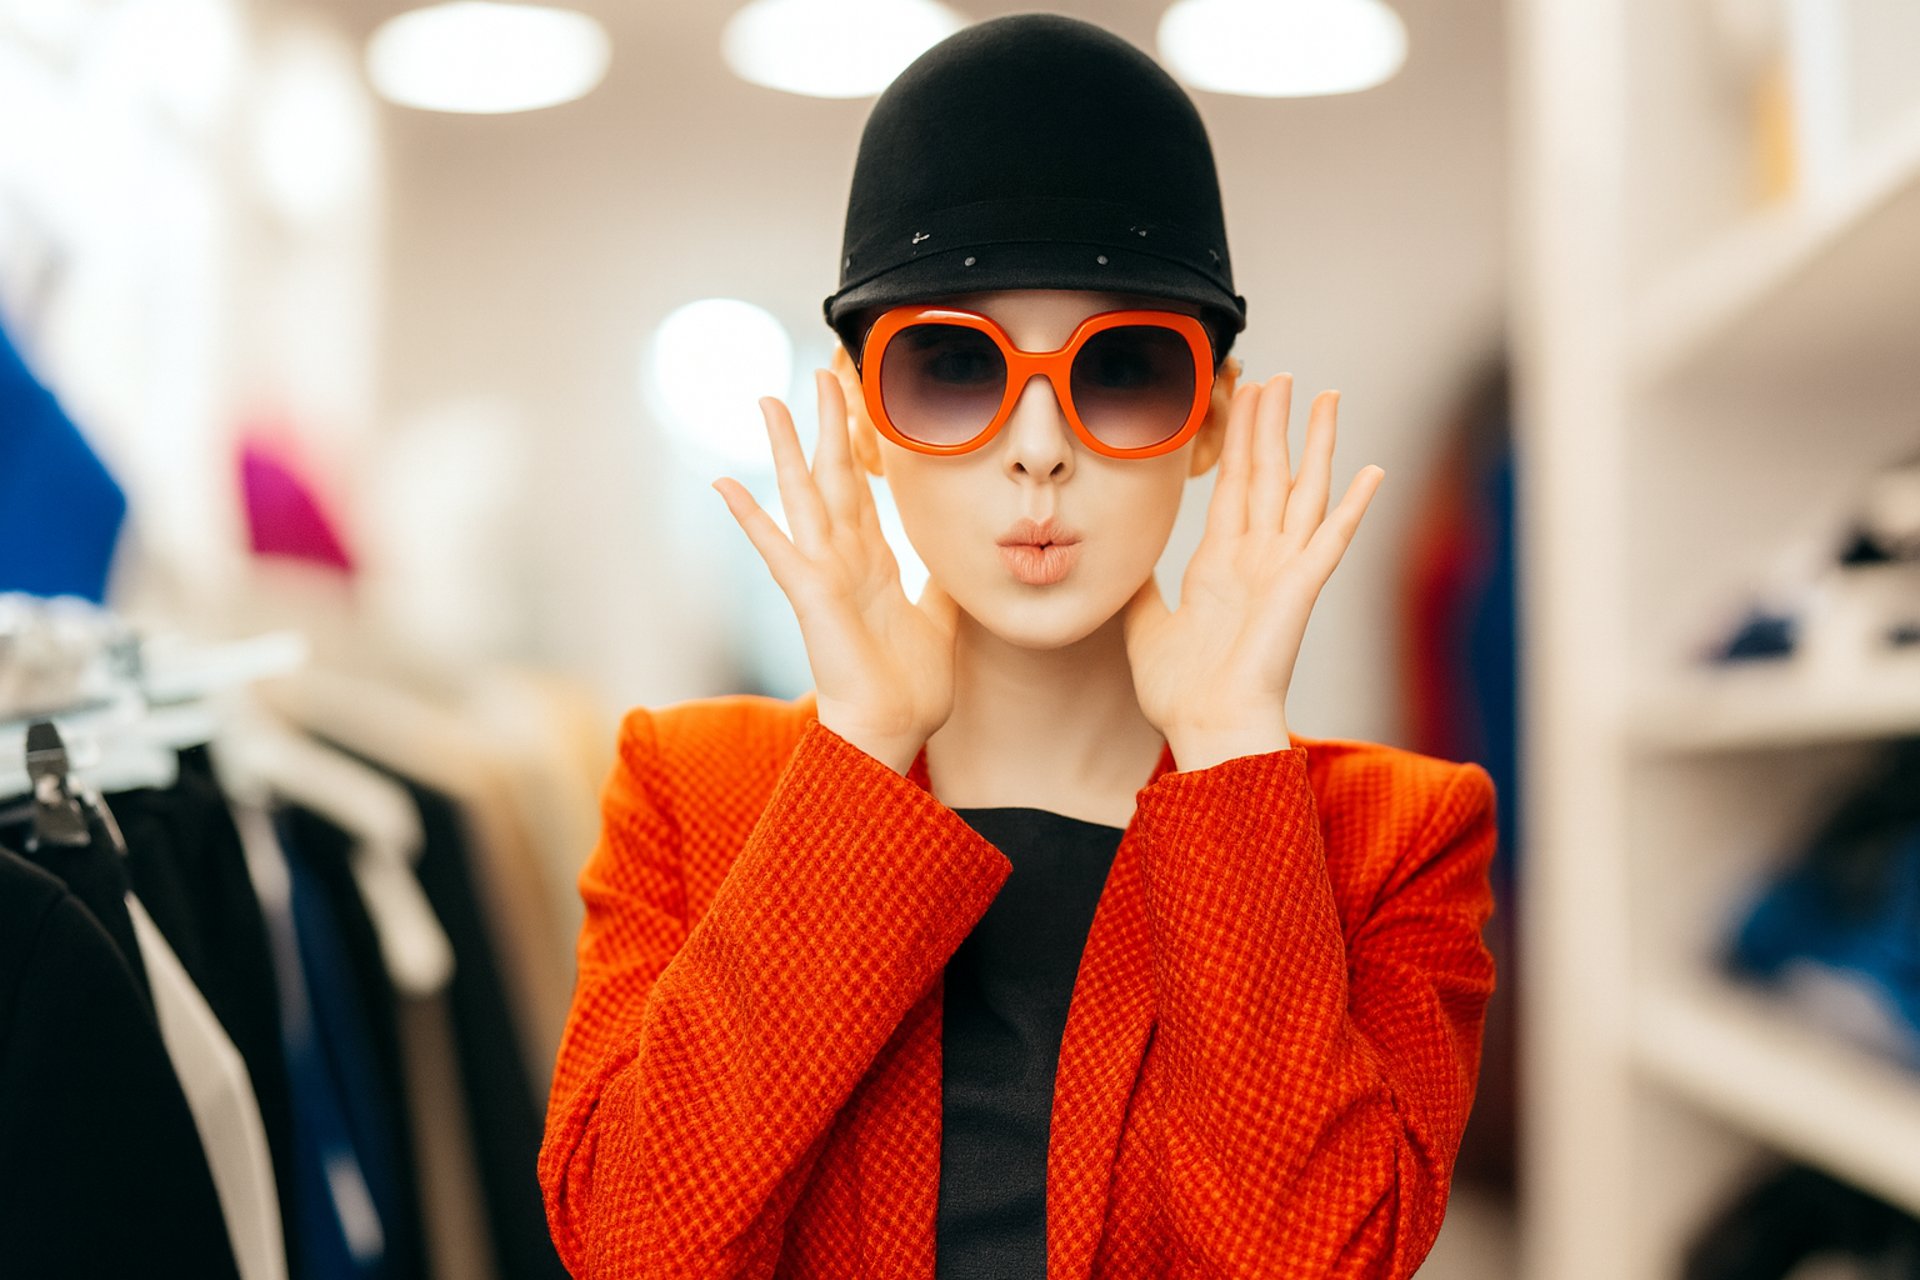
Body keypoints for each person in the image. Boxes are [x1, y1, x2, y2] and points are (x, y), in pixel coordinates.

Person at [538, 14, 1498, 1279]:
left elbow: (1315, 1260)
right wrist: (862, 752)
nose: (1038, 446)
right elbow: (630, 1248)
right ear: (865, 413)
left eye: (1121, 370)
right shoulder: (690, 789)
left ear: (1208, 413)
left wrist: (1226, 753)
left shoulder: (1396, 839)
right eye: (951, 366)